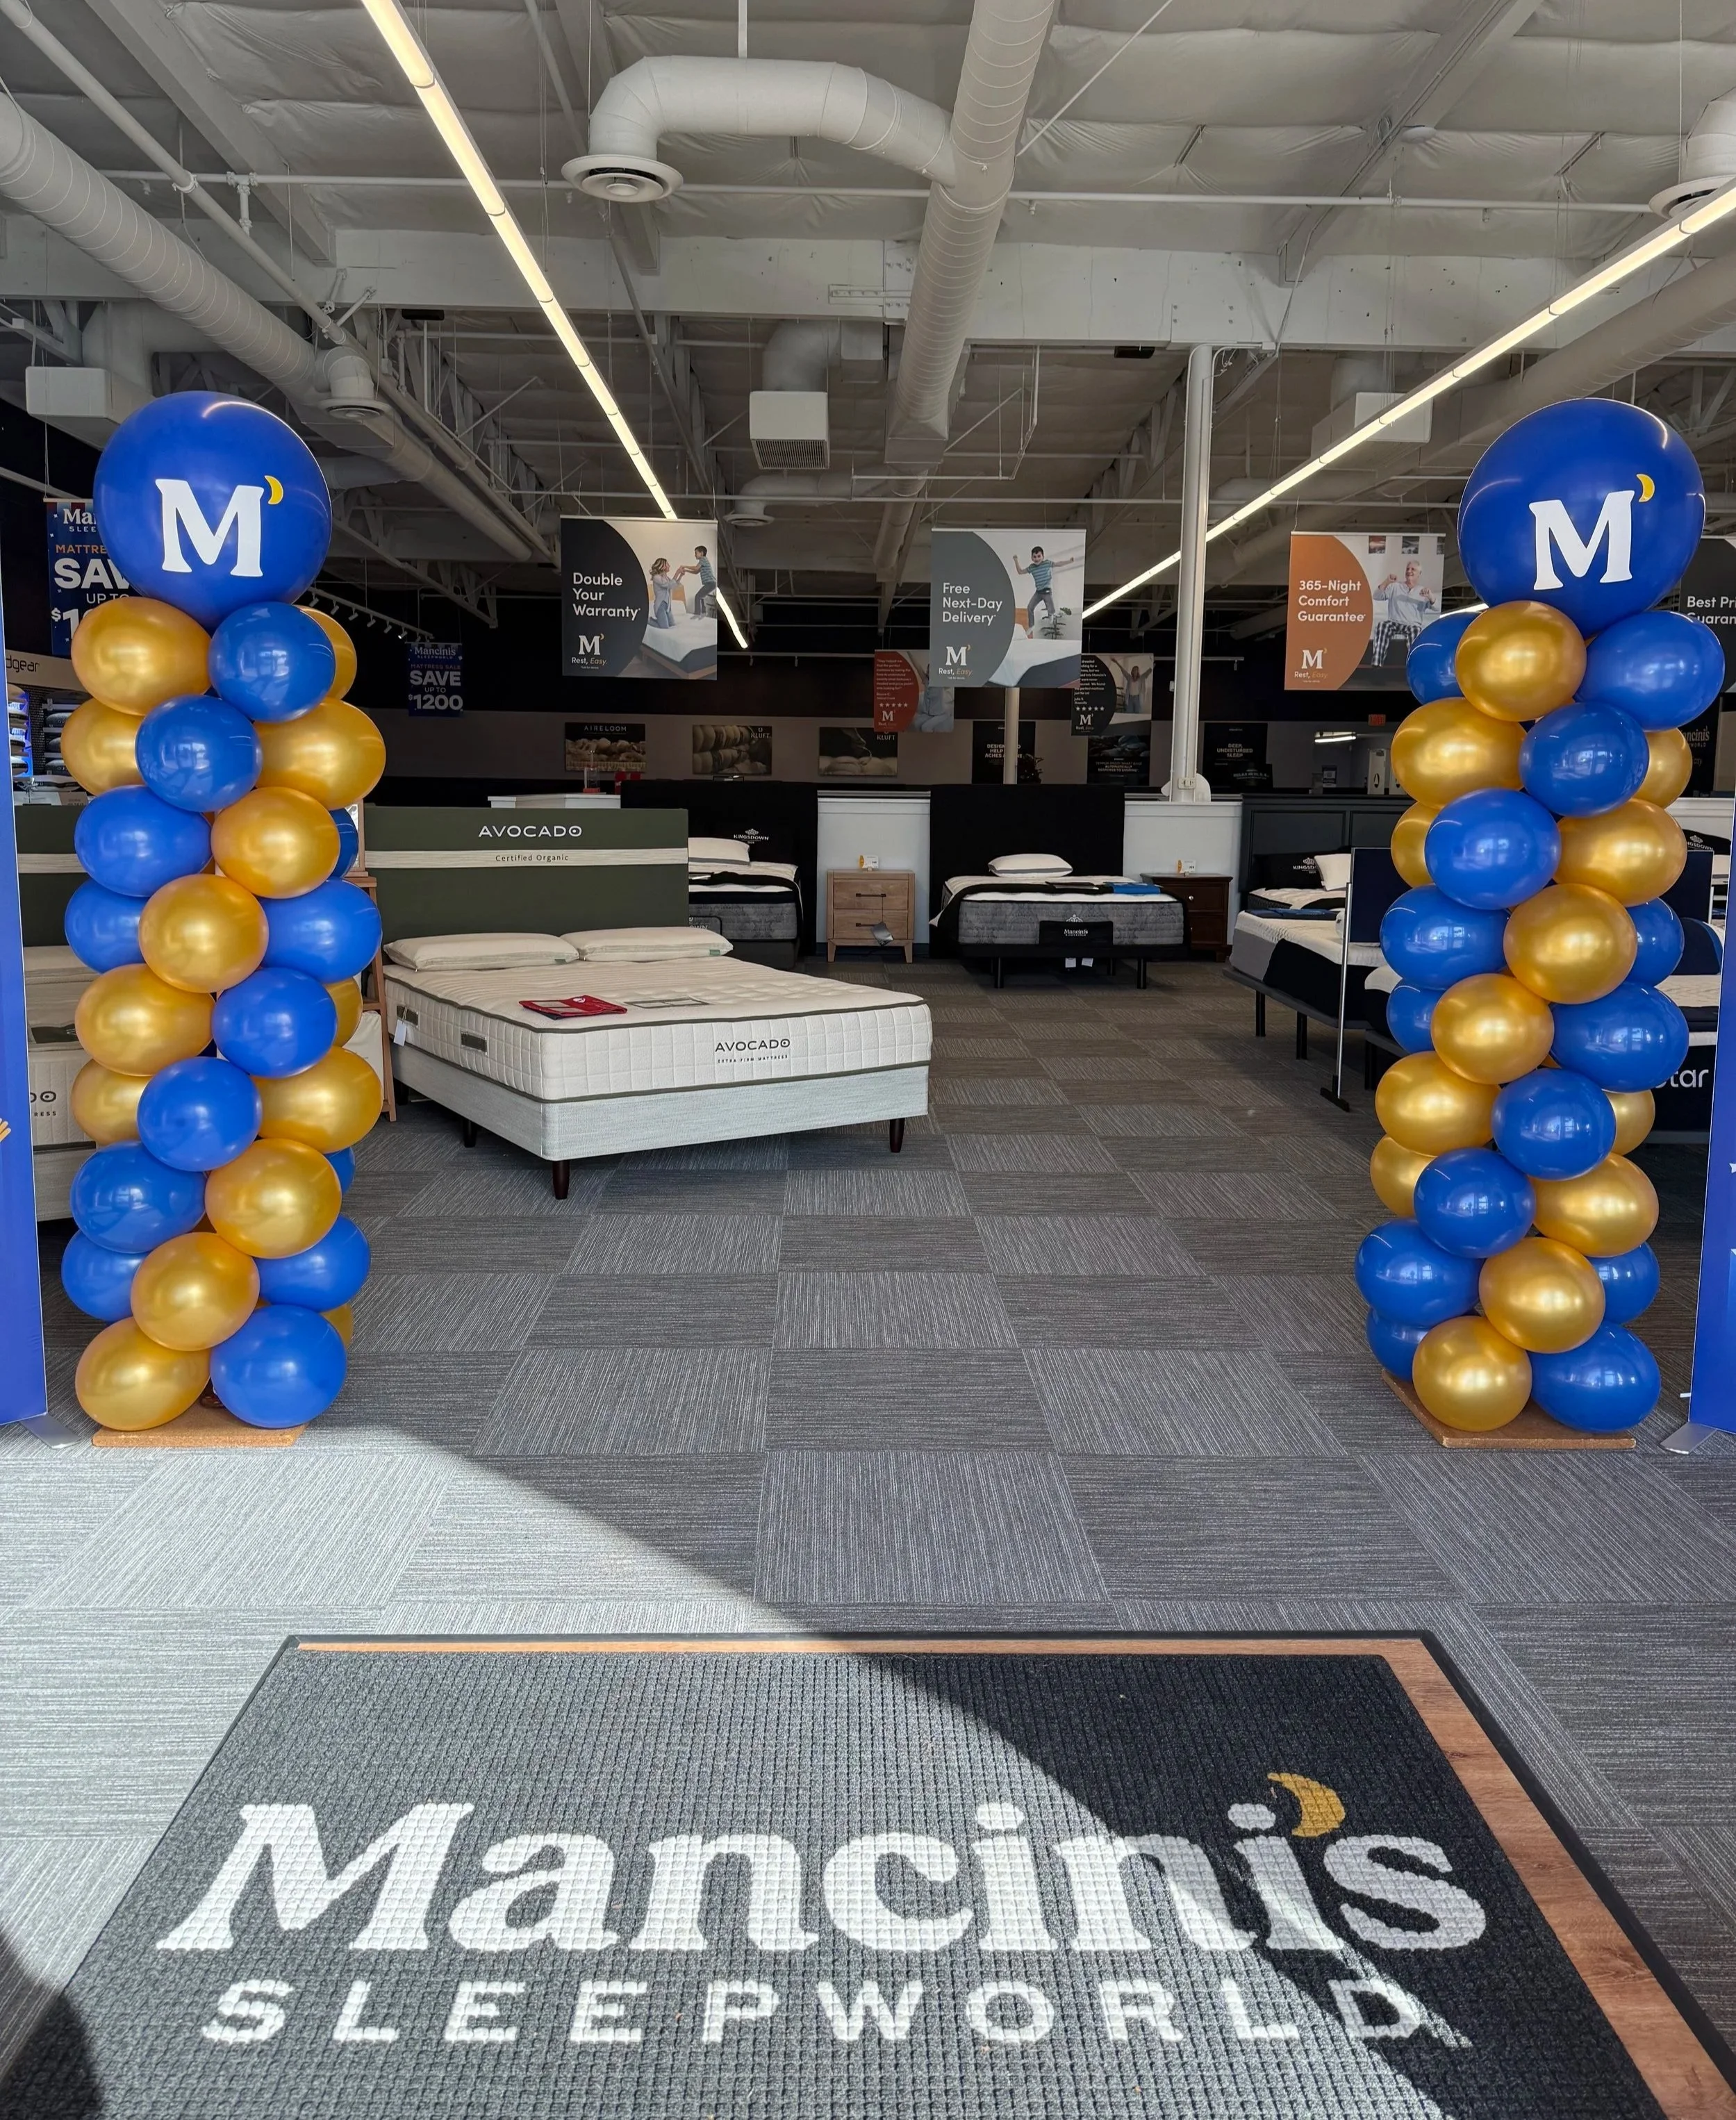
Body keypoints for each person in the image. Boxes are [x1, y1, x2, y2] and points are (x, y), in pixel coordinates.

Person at [1370, 558, 1437, 666]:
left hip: (1412, 625)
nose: (1409, 571)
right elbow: (1377, 596)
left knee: (1416, 631)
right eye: (1408, 569)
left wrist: (1430, 597)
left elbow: (1436, 608)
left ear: (1419, 574)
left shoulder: (1423, 591)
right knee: (1382, 626)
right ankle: (1376, 667)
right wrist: (1387, 581)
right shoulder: (1395, 587)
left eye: (1413, 569)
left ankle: (1415, 666)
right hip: (1394, 622)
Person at [1014, 547, 1056, 636]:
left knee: (1049, 603)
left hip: (1047, 590)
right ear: (1032, 558)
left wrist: (1069, 561)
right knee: (1030, 607)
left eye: (1039, 556)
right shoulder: (1032, 567)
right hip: (1038, 592)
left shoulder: (1047, 563)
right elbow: (1020, 572)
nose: (1037, 559)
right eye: (1035, 557)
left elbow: (1058, 564)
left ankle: (1051, 614)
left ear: (1043, 557)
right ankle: (1031, 626)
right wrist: (1016, 560)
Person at [675, 545, 717, 619]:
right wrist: (686, 571)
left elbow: (695, 568)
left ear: (701, 553)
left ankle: (697, 614)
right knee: (701, 597)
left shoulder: (703, 559)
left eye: (696, 553)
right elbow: (696, 572)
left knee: (698, 597)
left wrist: (684, 566)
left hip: (711, 583)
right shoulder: (703, 562)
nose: (695, 555)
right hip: (711, 583)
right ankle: (703, 614)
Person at [647, 557, 675, 629]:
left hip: (668, 606)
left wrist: (681, 575)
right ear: (663, 566)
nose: (669, 566)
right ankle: (648, 620)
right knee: (665, 627)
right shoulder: (656, 578)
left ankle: (659, 621)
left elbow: (674, 585)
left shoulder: (666, 578)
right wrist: (678, 572)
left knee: (672, 625)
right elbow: (668, 585)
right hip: (660, 606)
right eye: (667, 564)